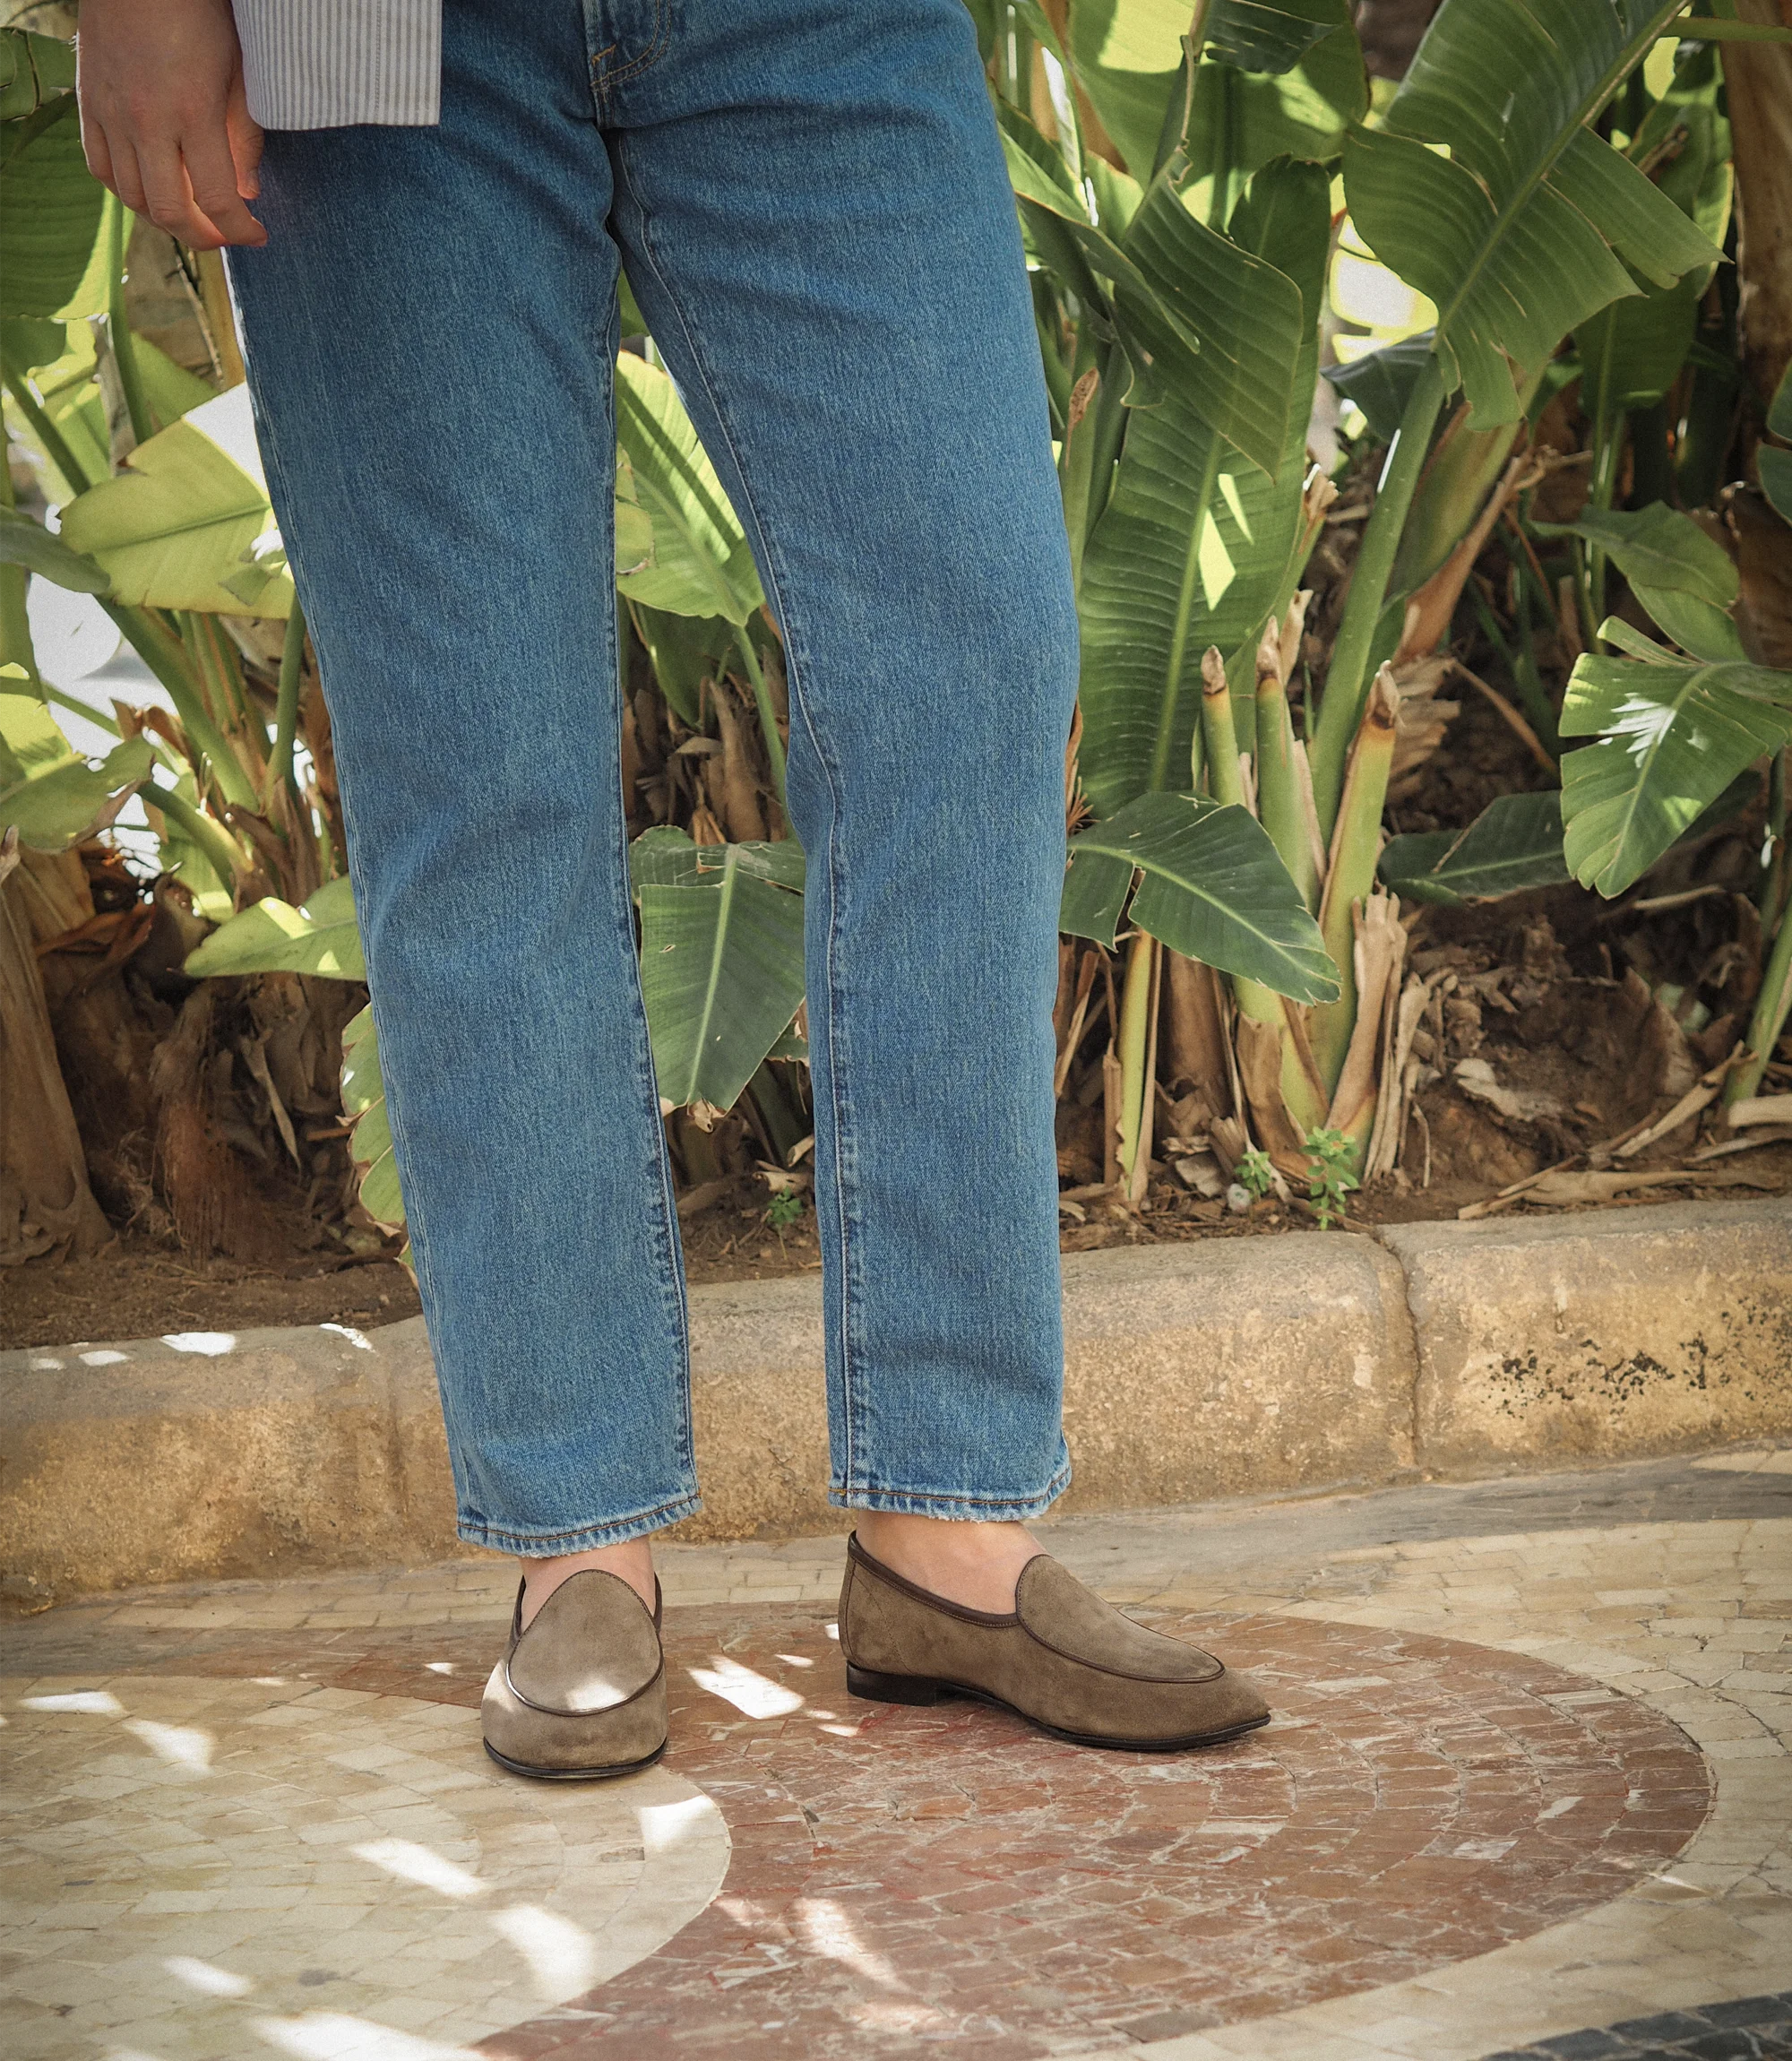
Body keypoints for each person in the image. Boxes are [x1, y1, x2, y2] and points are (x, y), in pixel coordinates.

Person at [75, 0, 1269, 1777]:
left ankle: (944, 1528)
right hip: (389, 34)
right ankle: (581, 1542)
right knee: (474, 750)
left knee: (971, 648)